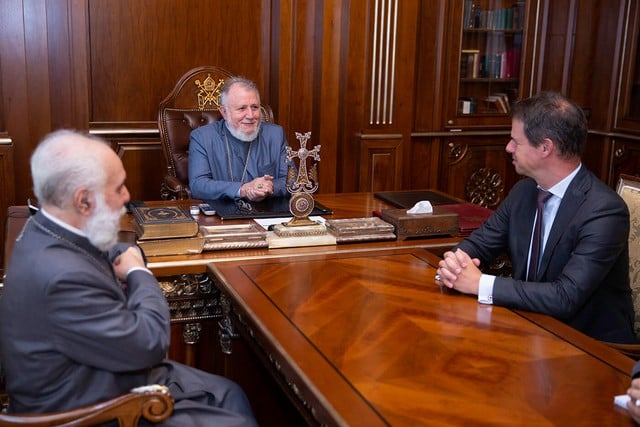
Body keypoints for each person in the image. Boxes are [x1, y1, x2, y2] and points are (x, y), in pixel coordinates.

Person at [0, 129, 258, 426]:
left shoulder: (46, 227)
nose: (127, 196)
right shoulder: (62, 277)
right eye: (119, 187)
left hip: (103, 371)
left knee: (230, 393)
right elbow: (150, 343)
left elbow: (103, 249)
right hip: (92, 408)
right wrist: (138, 272)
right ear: (83, 201)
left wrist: (126, 257)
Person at [436, 91, 636, 344]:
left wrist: (480, 284)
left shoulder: (604, 211)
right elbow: (480, 243)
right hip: (528, 324)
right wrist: (454, 266)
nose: (508, 148)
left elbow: (565, 297)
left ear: (545, 147)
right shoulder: (524, 191)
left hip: (588, 345)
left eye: (515, 141)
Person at [189, 76, 291, 201]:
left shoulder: (275, 135)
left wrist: (270, 186)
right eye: (242, 108)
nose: (250, 115)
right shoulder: (202, 138)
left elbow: (292, 180)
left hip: (267, 209)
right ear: (224, 112)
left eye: (255, 107)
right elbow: (198, 185)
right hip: (223, 210)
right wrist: (243, 189)